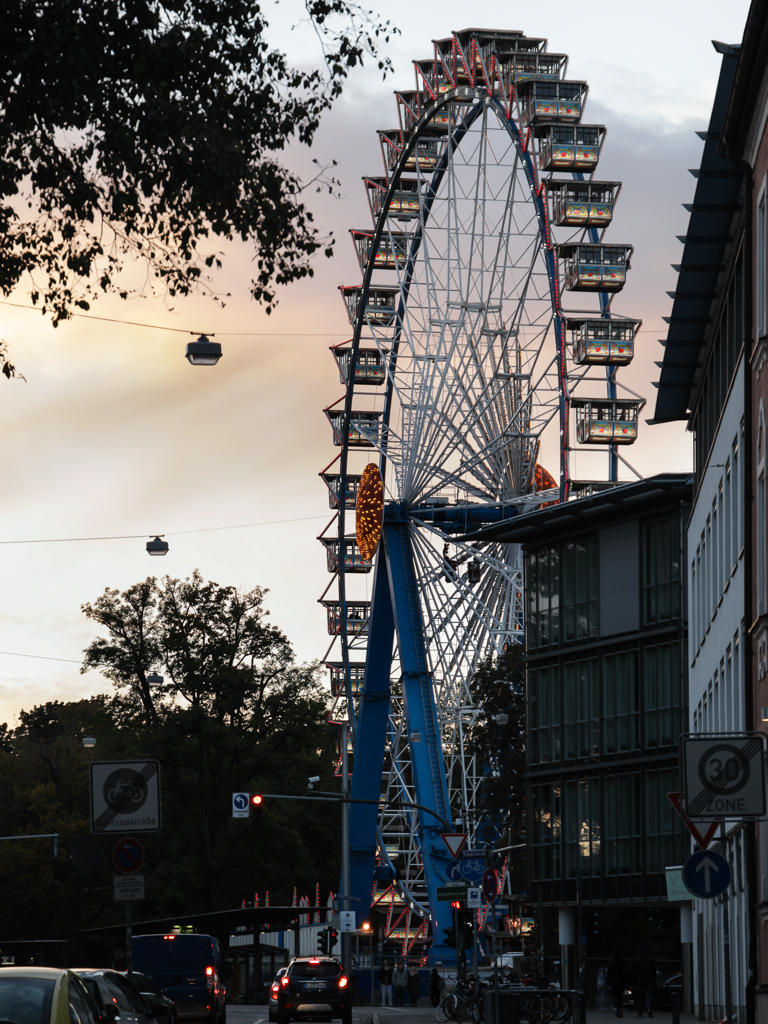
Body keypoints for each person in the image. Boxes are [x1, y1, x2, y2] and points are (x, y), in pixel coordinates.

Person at [631, 946, 656, 1018]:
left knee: (639, 997)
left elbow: (633, 972)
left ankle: (640, 1012)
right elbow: (653, 971)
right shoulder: (651, 960)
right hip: (649, 981)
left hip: (639, 981)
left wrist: (633, 982)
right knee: (649, 996)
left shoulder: (636, 960)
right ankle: (649, 1009)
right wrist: (653, 979)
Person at [606, 952, 627, 1018]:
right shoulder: (622, 963)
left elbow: (609, 973)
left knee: (615, 996)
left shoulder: (611, 963)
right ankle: (620, 1008)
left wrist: (608, 981)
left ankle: (617, 1009)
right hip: (621, 981)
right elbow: (625, 972)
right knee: (620, 996)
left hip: (614, 981)